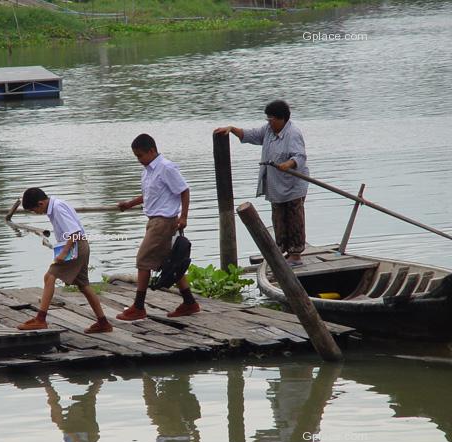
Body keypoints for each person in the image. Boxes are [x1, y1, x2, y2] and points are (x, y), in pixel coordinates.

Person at [214, 100, 309, 266]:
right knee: (278, 218)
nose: (269, 123)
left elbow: (300, 156)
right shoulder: (268, 131)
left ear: (282, 119)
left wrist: (287, 164)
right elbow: (250, 135)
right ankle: (282, 251)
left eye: (272, 120)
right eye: (268, 120)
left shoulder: (293, 133)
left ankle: (295, 255)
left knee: (294, 219)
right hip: (276, 186)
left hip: (293, 185)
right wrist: (231, 129)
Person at [116, 134, 200, 320]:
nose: (139, 160)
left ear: (152, 151)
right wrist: (130, 203)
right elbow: (149, 194)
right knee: (170, 263)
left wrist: (183, 216)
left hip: (164, 222)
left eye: (140, 156)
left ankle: (139, 307)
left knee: (143, 260)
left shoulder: (166, 167)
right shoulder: (147, 171)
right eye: (136, 156)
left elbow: (184, 190)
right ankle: (189, 302)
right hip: (153, 221)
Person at [17, 187, 113, 334]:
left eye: (33, 210)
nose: (35, 213)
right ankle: (103, 322)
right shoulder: (55, 206)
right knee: (84, 285)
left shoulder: (57, 208)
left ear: (41, 203)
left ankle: (40, 319)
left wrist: (64, 253)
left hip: (75, 247)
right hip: (80, 246)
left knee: (49, 277)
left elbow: (74, 232)